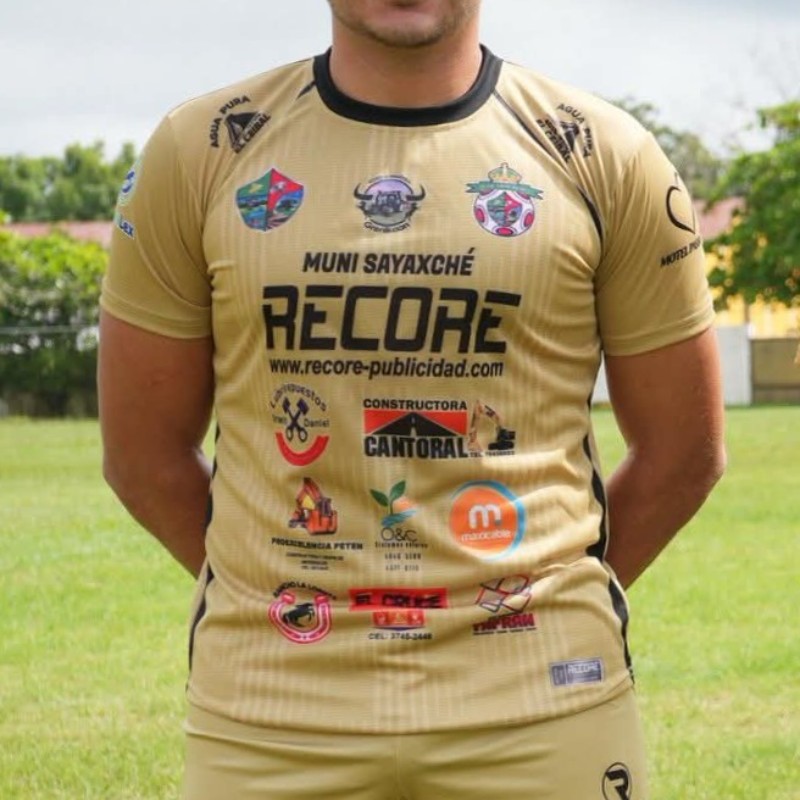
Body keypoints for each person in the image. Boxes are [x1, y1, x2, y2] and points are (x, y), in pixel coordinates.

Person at [98, 2, 726, 798]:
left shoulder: (605, 154)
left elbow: (683, 452)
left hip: (545, 701)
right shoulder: (203, 148)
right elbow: (143, 457)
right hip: (270, 706)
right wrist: (285, 593)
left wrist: (529, 603)